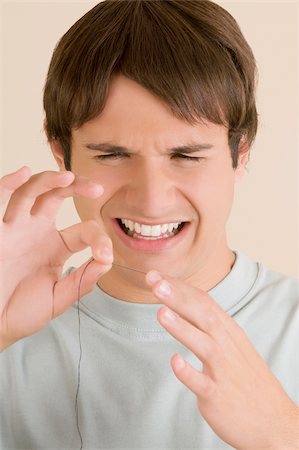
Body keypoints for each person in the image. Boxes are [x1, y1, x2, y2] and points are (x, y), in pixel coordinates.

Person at [0, 0, 298, 449]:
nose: (152, 200)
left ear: (242, 151)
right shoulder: (12, 328)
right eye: (112, 155)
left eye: (186, 156)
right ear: (61, 152)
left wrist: (281, 434)